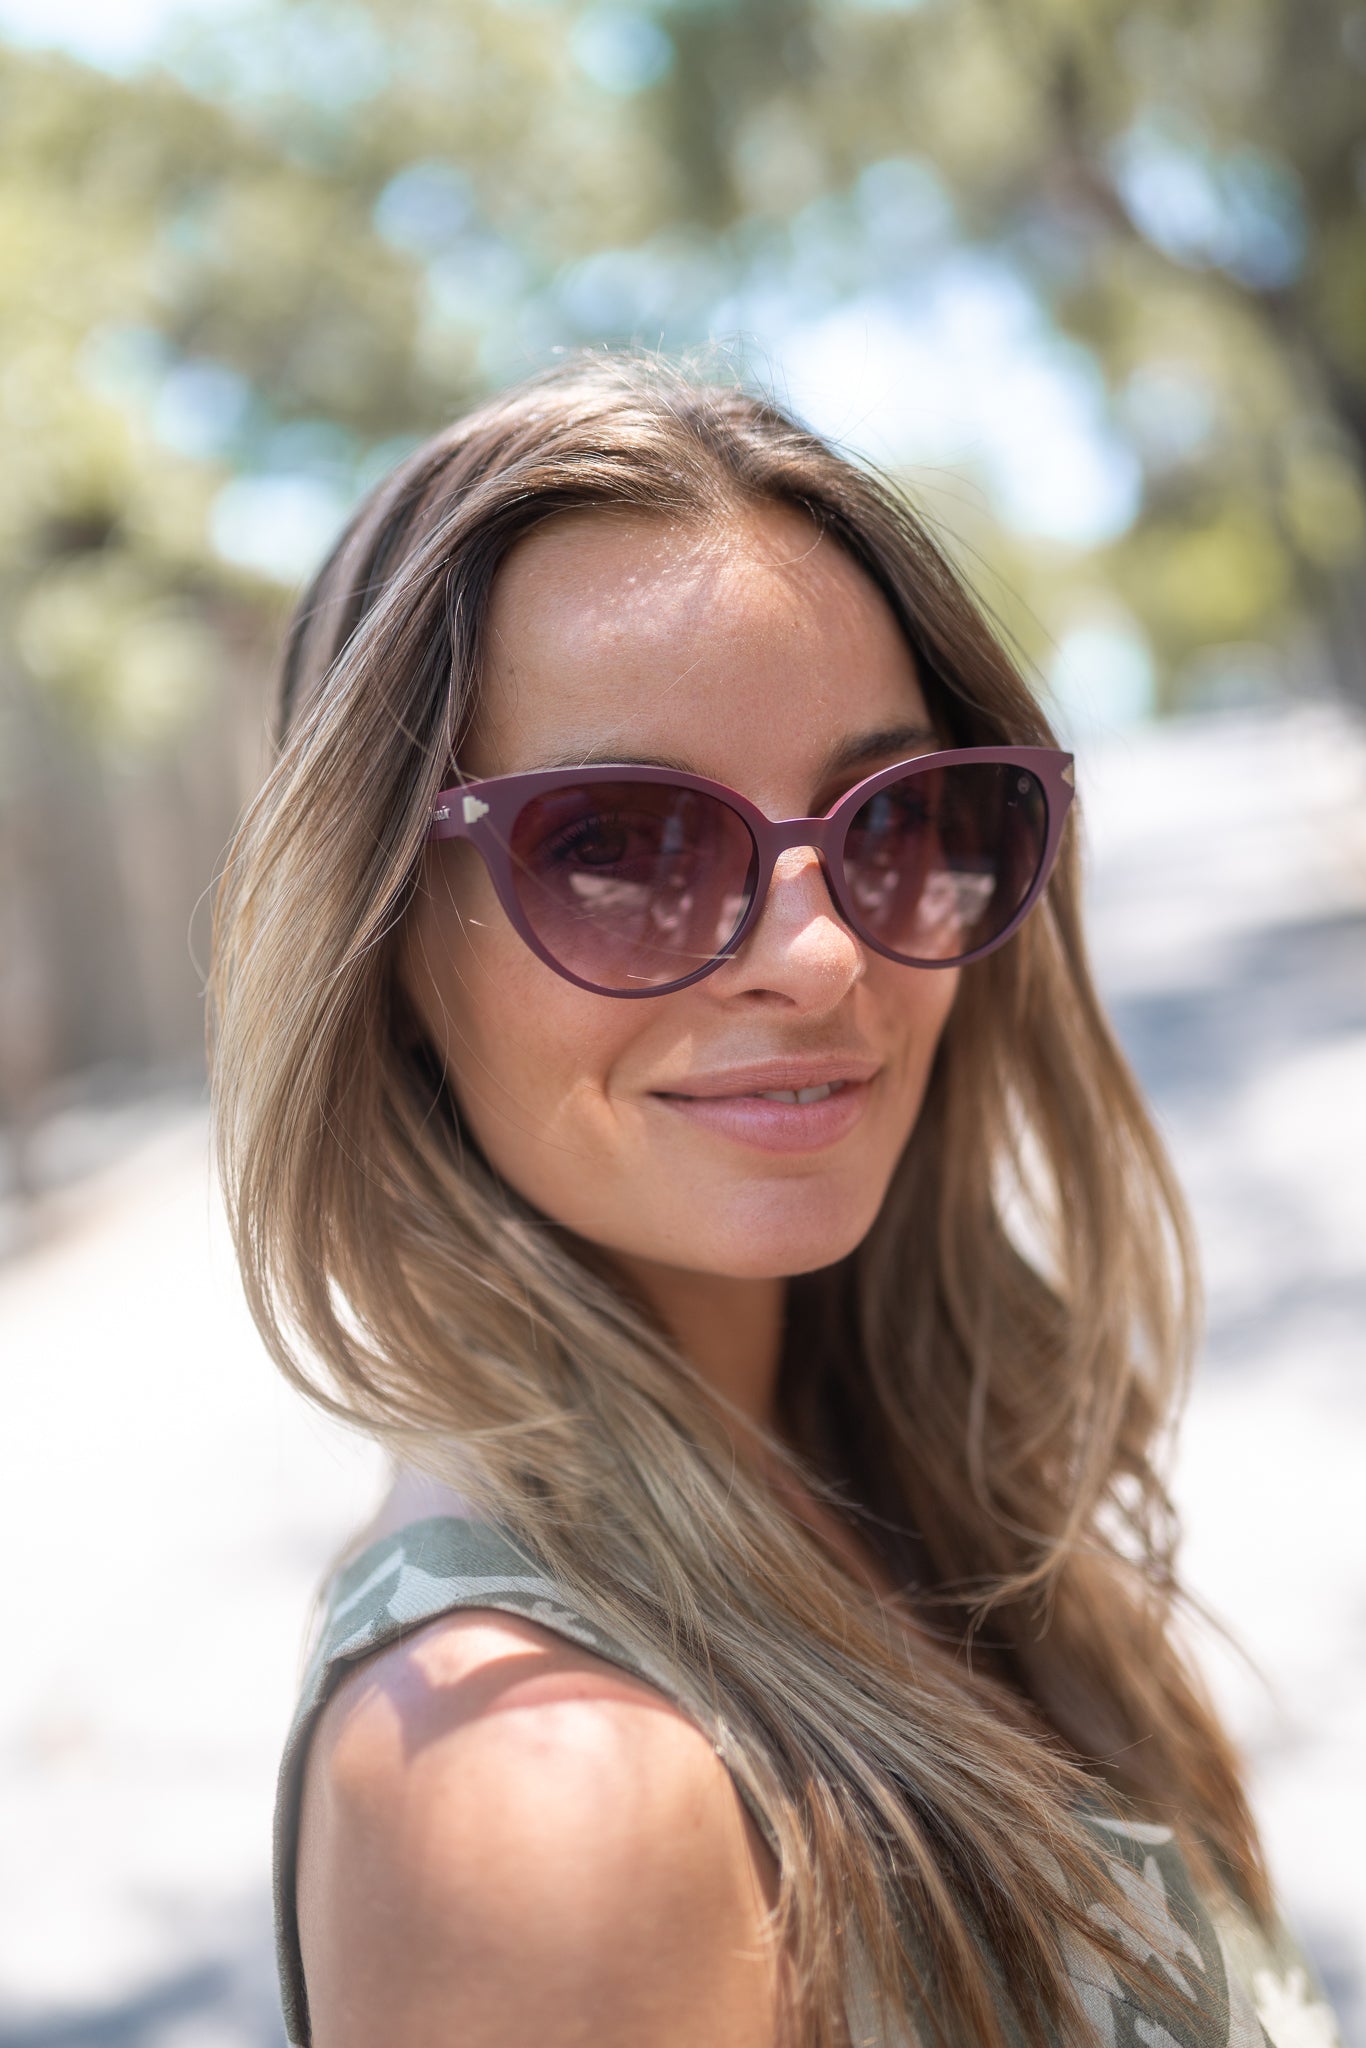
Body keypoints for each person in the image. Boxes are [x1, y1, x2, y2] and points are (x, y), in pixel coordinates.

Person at [209, 353, 1341, 2048]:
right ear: (381, 945)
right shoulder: (544, 1790)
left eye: (896, 817)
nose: (816, 955)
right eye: (615, 843)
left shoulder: (916, 1490)